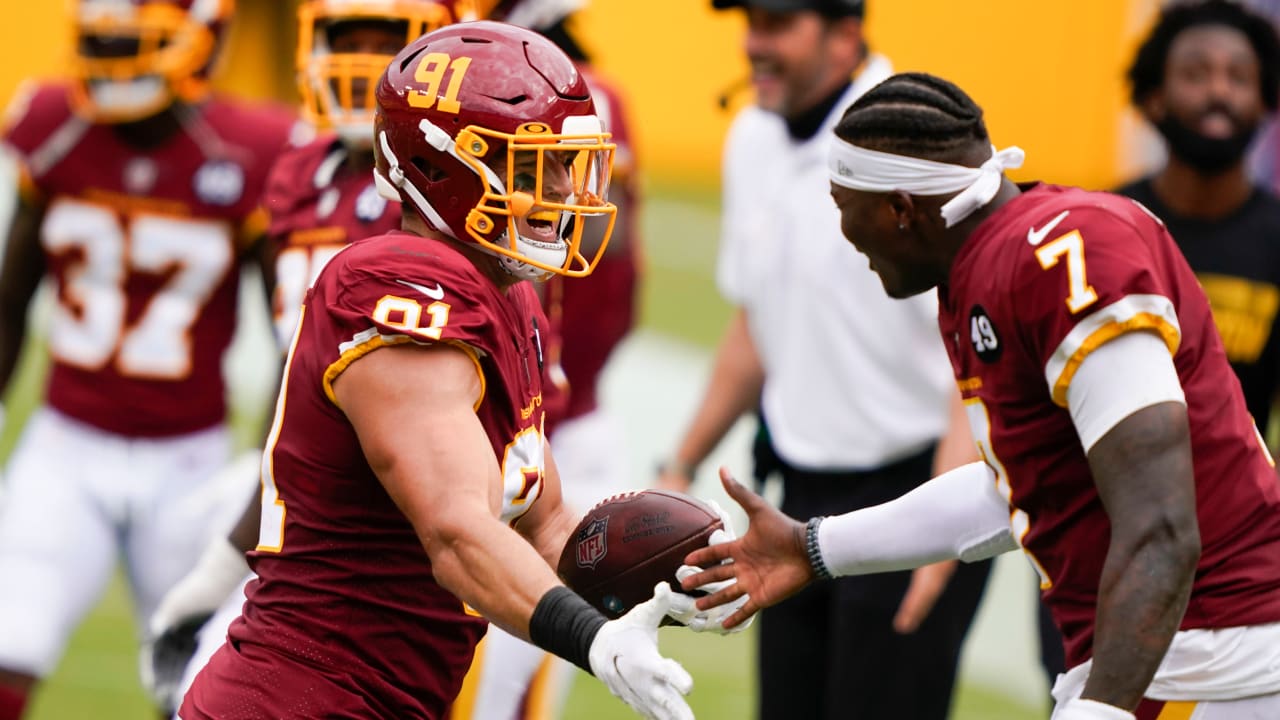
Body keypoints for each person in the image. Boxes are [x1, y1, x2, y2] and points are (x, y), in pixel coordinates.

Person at [685, 71, 1280, 720]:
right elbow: (1018, 489)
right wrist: (816, 547)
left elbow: (1163, 524)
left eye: (842, 205)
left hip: (1212, 656)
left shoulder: (1065, 254)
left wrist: (1102, 711)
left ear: (901, 210)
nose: (845, 235)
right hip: (1179, 656)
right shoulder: (984, 269)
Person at [177, 21, 713, 720]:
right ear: (444, 167)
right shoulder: (401, 290)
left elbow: (545, 526)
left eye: (565, 162)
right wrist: (596, 641)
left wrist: (696, 572)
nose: (563, 189)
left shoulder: (507, 294)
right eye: (533, 165)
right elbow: (457, 533)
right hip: (298, 696)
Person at [656, 1, 990, 718]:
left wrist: (938, 530)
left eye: (777, 23)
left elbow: (976, 340)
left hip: (912, 490)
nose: (754, 44)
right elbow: (760, 318)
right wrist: (679, 462)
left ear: (844, 35)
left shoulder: (920, 139)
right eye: (750, 23)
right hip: (791, 499)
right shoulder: (751, 134)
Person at [138, 1, 453, 713]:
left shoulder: (442, 193)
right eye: (349, 41)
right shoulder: (298, 173)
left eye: (385, 44)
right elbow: (299, 374)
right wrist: (228, 555)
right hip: (308, 494)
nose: (358, 61)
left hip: (409, 523)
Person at [0, 1, 301, 717]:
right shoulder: (54, 125)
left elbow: (297, 338)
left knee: (197, 682)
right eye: (101, 40)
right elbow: (9, 301)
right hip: (64, 445)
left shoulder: (249, 148)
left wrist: (268, 471)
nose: (111, 59)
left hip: (188, 462)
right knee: (9, 643)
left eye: (131, 41)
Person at [1030, 0, 1280, 700]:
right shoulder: (1096, 232)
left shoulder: (1274, 241)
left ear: (1266, 99)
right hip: (1093, 544)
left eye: (1239, 75)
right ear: (1151, 95)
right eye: (1196, 73)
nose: (1219, 91)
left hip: (1232, 561)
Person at [447, 3, 647, 720]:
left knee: (510, 691)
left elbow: (612, 280)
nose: (563, 193)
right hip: (505, 424)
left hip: (541, 423)